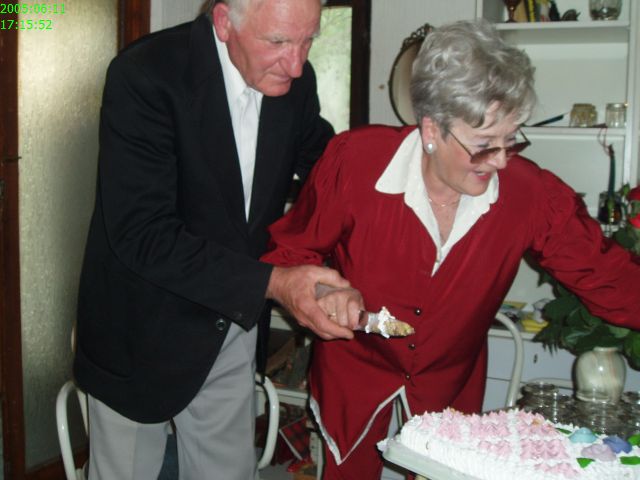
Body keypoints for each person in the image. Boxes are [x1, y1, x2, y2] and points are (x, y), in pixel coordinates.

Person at [261, 19, 640, 479]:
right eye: (483, 145)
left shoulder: (533, 195)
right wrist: (322, 293)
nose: (500, 161)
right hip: (353, 371)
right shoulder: (355, 162)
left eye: (511, 140)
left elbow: (608, 276)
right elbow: (291, 253)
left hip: (450, 380)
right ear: (432, 129)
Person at [73, 0, 353, 478]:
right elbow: (143, 234)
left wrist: (416, 168)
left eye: (308, 40)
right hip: (142, 326)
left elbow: (330, 172)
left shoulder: (295, 81)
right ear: (224, 22)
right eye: (279, 41)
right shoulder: (146, 75)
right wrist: (276, 282)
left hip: (230, 322)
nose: (296, 63)